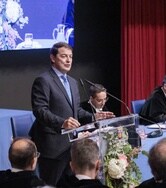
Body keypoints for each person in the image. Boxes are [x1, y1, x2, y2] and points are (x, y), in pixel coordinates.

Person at [30, 42, 114, 186]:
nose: (68, 60)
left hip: (72, 146)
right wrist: (62, 123)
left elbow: (76, 111)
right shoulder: (44, 80)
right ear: (53, 58)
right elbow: (40, 110)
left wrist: (93, 116)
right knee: (52, 184)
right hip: (53, 146)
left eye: (70, 57)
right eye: (64, 56)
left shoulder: (73, 82)